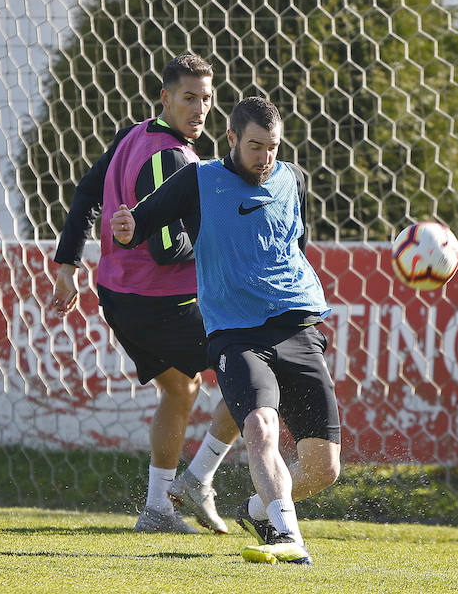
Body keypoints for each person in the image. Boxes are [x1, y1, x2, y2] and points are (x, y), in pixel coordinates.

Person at [109, 96, 341, 565]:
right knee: (259, 425)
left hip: (297, 325)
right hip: (236, 333)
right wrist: (126, 227)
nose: (265, 158)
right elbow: (140, 224)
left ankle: (259, 508)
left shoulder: (293, 178)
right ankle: (285, 533)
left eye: (273, 147)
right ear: (232, 138)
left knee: (324, 467)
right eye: (255, 146)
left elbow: (295, 243)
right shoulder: (199, 180)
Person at [49, 54, 241, 534]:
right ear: (166, 98)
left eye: (206, 99)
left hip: (118, 294)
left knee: (181, 387)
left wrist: (66, 264)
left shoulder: (134, 134)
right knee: (254, 375)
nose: (199, 109)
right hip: (160, 303)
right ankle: (197, 480)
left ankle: (157, 508)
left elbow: (86, 192)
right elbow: (167, 248)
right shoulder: (172, 157)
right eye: (188, 98)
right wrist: (221, 244)